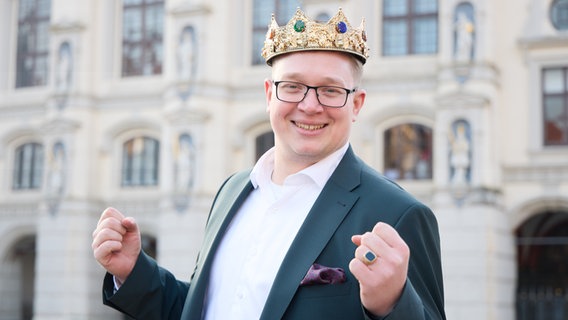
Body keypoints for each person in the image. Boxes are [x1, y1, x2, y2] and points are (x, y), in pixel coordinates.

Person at [92, 8, 445, 320]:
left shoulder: (397, 214)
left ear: (356, 104)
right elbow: (205, 309)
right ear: (268, 94)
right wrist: (133, 272)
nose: (309, 106)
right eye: (292, 86)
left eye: (331, 90)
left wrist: (392, 307)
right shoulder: (232, 191)